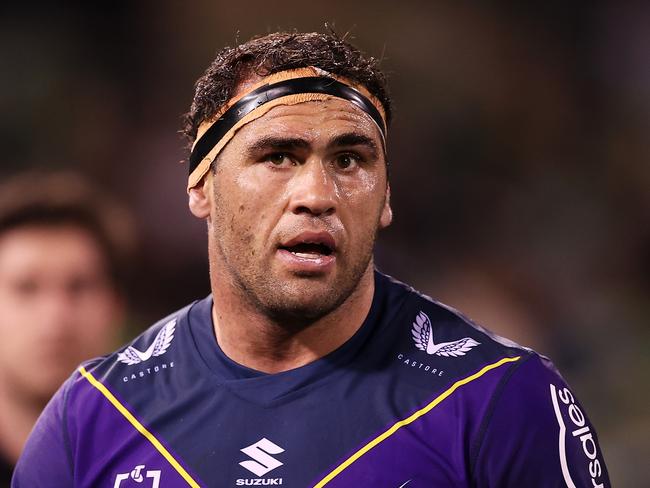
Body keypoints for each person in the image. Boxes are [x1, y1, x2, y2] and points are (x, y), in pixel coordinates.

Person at [13, 32, 610, 487]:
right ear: (200, 188)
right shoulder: (95, 415)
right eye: (278, 156)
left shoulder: (498, 399)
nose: (318, 195)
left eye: (350, 160)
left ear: (386, 196)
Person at [0, 172, 131, 485]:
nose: (56, 316)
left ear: (116, 307)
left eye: (79, 287)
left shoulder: (169, 457)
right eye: (26, 288)